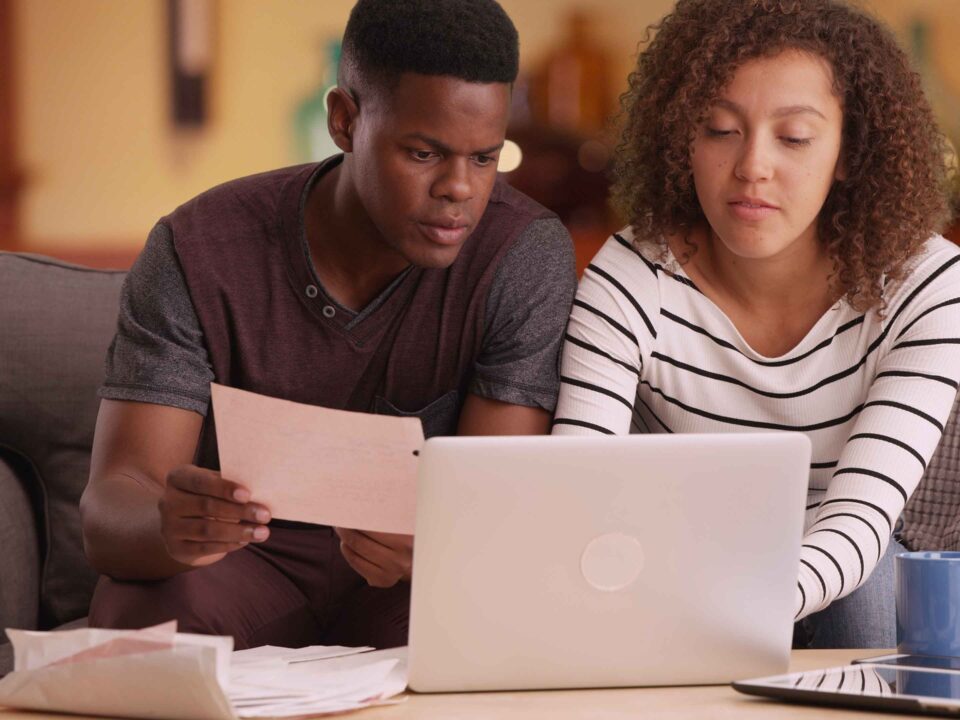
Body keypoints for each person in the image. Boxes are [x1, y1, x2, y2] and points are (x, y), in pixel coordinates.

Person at [80, 0, 576, 650]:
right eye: (424, 153)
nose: (460, 189)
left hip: (408, 588)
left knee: (489, 624)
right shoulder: (199, 248)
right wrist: (167, 526)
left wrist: (442, 544)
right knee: (134, 612)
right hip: (243, 567)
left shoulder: (521, 254)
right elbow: (112, 504)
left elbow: (497, 511)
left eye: (485, 158)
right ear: (344, 119)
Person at [552, 0, 960, 648]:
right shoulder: (631, 274)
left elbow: (857, 526)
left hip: (842, 577)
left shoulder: (927, 284)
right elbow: (572, 493)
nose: (752, 167)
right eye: (719, 129)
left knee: (874, 583)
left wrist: (728, 602)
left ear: (850, 152)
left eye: (793, 137)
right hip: (665, 572)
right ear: (682, 136)